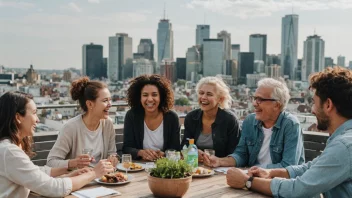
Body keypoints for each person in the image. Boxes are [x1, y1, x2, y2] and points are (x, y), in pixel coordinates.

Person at [226, 67, 352, 198]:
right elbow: (311, 167)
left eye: (314, 102)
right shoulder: (343, 140)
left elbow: (298, 189)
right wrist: (270, 172)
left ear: (328, 105)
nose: (312, 110)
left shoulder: (343, 146)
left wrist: (248, 182)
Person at [0, 91, 114, 197]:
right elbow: (54, 189)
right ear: (18, 117)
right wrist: (94, 173)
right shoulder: (9, 151)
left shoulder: (7, 148)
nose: (37, 120)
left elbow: (34, 172)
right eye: (34, 113)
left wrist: (70, 171)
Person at [204, 78, 304, 169]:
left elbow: (288, 167)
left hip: (278, 183)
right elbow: (241, 154)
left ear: (277, 105)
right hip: (252, 177)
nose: (255, 103)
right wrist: (220, 161)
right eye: (254, 98)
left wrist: (255, 170)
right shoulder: (250, 121)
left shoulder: (290, 125)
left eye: (260, 100)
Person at [47, 77, 117, 169]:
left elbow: (112, 153)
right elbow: (51, 162)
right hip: (79, 180)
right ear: (90, 104)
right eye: (105, 101)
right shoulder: (71, 127)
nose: (110, 104)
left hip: (102, 179)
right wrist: (74, 163)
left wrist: (113, 158)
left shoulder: (108, 124)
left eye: (110, 100)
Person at [122, 74, 180, 161]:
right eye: (145, 95)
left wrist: (164, 154)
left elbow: (176, 149)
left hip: (164, 168)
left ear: (161, 97)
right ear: (139, 97)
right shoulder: (132, 116)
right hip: (138, 167)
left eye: (154, 95)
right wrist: (141, 153)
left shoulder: (172, 117)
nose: (149, 99)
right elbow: (126, 148)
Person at [181, 76, 241, 160]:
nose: (203, 97)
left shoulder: (229, 120)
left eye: (209, 94)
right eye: (201, 93)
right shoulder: (191, 117)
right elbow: (184, 146)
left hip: (221, 168)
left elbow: (234, 153)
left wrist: (218, 161)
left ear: (220, 99)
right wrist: (192, 151)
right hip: (195, 167)